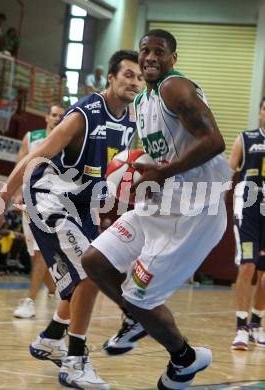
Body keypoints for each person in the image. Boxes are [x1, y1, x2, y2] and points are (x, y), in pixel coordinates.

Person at [0, 50, 143, 389]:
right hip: (50, 198)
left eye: (139, 77)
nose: (135, 81)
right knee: (92, 272)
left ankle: (51, 338)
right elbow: (37, 157)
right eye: (128, 74)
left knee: (84, 277)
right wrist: (0, 202)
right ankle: (75, 362)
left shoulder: (131, 121)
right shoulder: (84, 114)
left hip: (82, 205)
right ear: (111, 78)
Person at [81, 29, 231, 390]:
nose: (149, 57)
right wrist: (143, 169)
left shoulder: (174, 88)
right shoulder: (141, 102)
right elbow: (164, 151)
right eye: (144, 50)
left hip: (194, 213)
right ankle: (135, 319)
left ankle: (184, 359)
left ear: (172, 58)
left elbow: (214, 141)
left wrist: (163, 172)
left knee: (139, 297)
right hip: (162, 203)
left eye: (158, 52)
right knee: (95, 261)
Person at [13, 104, 65, 318]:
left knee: (40, 254)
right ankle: (55, 290)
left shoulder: (67, 140)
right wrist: (16, 192)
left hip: (51, 200)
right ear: (46, 117)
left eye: (61, 116)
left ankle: (30, 302)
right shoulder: (31, 137)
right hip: (28, 197)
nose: (56, 119)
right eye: (53, 115)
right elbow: (20, 165)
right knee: (35, 253)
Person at [229, 96, 265, 350]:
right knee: (247, 267)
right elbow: (227, 169)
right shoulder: (245, 138)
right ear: (260, 112)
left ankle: (256, 323)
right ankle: (241, 327)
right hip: (248, 210)